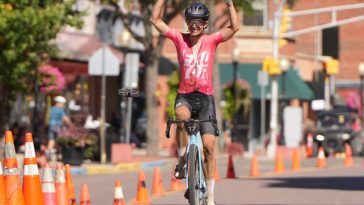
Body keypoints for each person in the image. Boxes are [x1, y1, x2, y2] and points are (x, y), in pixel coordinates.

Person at [151, 1, 240, 204]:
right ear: (187, 22)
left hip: (206, 99)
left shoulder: (212, 41)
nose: (194, 25)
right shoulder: (179, 39)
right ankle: (183, 159)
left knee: (209, 147)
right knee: (182, 117)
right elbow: (155, 20)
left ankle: (210, 194)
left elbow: (234, 27)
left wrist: (230, 4)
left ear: (205, 24)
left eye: (198, 22)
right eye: (191, 21)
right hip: (185, 96)